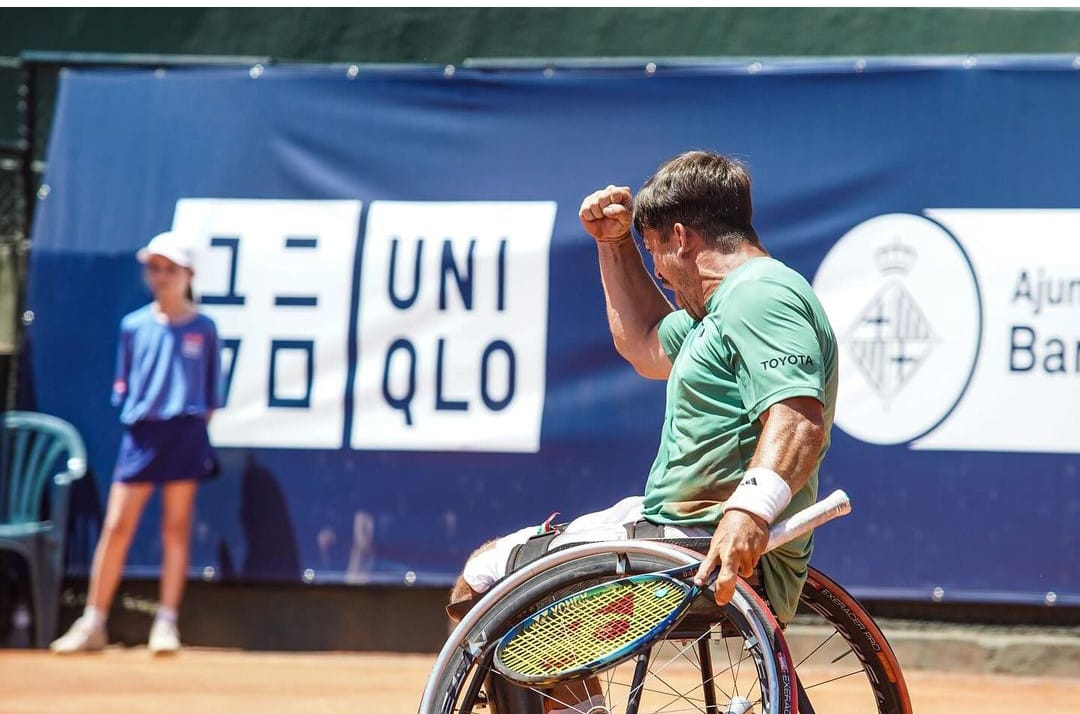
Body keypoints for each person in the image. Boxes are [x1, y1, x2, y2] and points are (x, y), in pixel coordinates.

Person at [449, 151, 838, 714]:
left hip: (693, 543)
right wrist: (615, 243)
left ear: (680, 237)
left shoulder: (760, 295)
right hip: (674, 534)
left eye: (654, 249)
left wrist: (749, 512)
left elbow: (799, 417)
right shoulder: (718, 310)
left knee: (483, 583)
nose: (657, 270)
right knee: (500, 602)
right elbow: (646, 339)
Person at [51, 231, 223, 655]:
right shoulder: (134, 326)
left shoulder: (204, 329)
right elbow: (123, 385)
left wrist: (189, 419)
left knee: (176, 526)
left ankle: (165, 623)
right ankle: (94, 622)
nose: (161, 277)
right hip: (142, 434)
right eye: (155, 268)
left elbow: (211, 393)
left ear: (188, 275)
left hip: (184, 431)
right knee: (116, 526)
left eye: (170, 269)